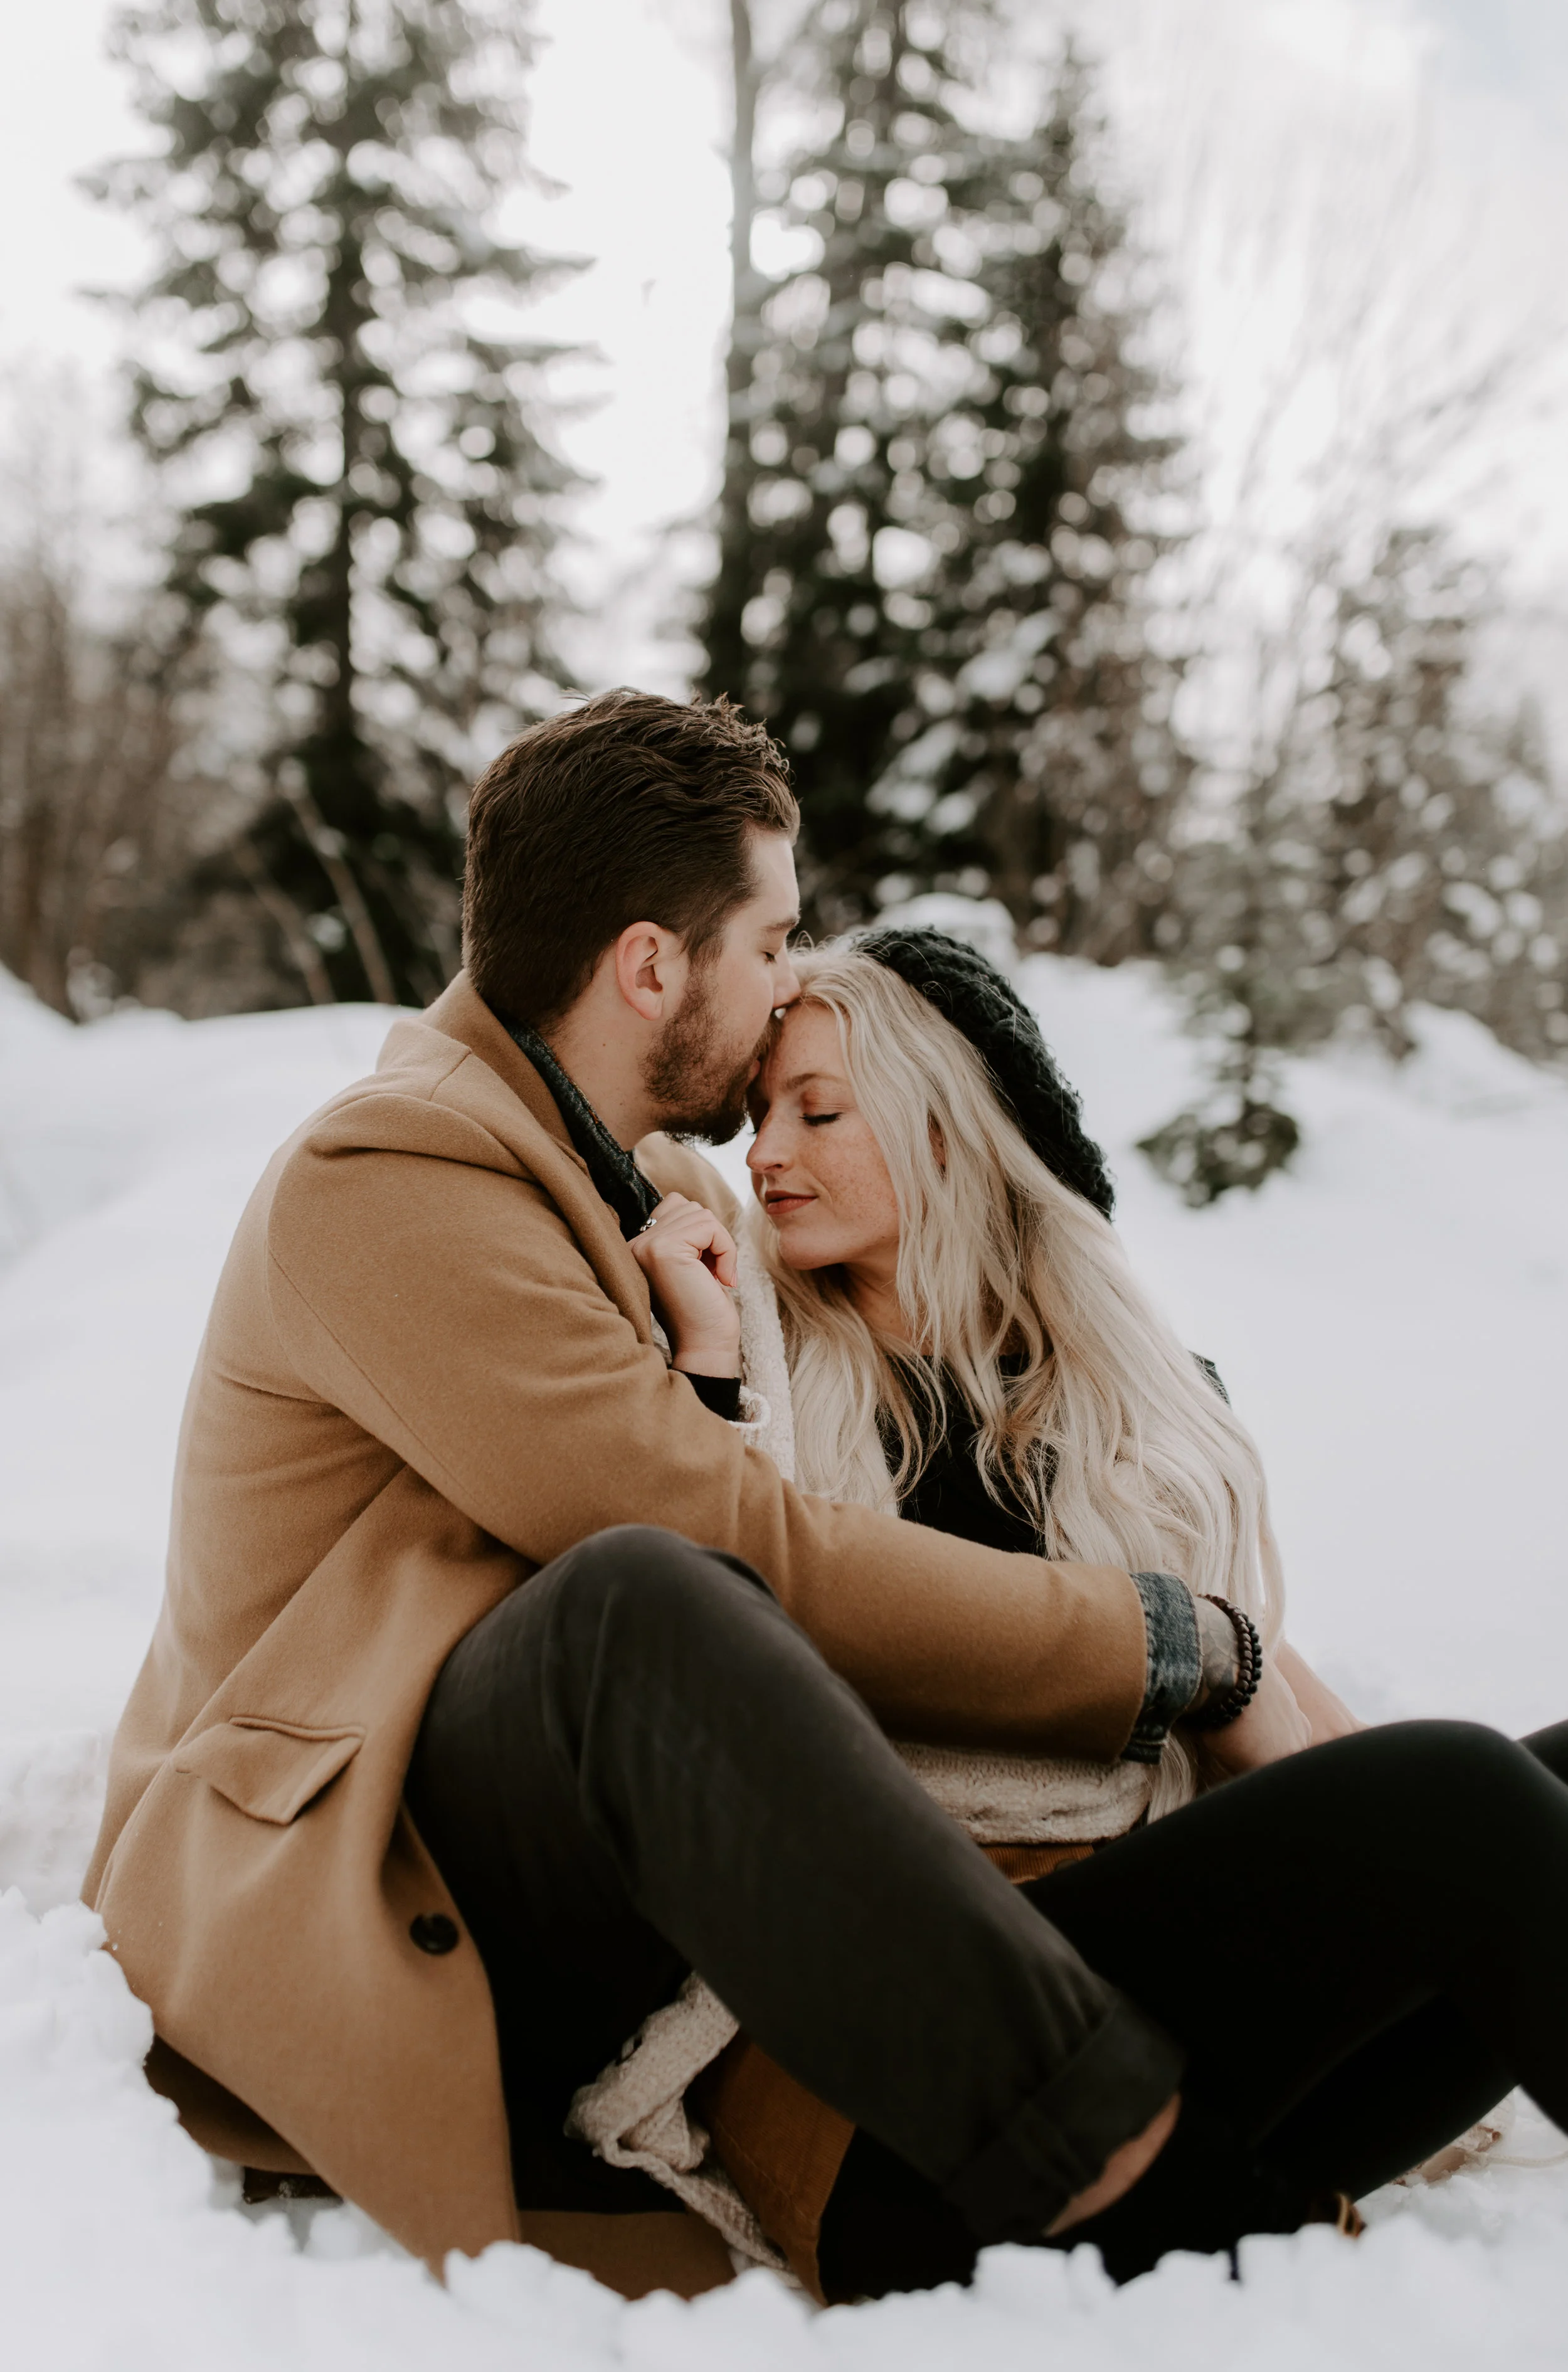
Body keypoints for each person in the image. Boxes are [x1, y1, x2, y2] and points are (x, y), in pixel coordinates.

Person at [620, 924, 1568, 2295]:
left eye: (816, 1109)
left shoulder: (1117, 1409)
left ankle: (1238, 2191)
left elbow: (1266, 1696)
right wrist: (706, 1372)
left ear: (954, 1129)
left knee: (1518, 1780)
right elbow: (707, 1636)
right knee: (1462, 1796)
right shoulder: (753, 1350)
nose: (765, 1153)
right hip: (912, 2081)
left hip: (1159, 2035)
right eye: (763, 1111)